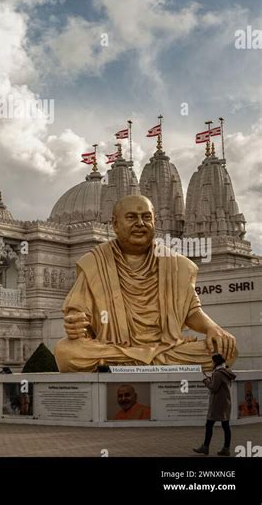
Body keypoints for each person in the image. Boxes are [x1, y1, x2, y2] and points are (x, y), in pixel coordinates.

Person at [55, 195, 237, 372]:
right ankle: (150, 364)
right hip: (114, 346)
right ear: (115, 224)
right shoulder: (94, 263)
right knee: (66, 352)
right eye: (131, 217)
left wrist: (213, 328)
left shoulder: (177, 264)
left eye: (146, 217)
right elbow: (79, 315)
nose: (140, 223)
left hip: (166, 347)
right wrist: (76, 325)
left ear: (154, 223)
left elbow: (192, 312)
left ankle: (120, 366)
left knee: (225, 350)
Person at [193, 354, 236, 456]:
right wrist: (211, 379)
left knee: (209, 425)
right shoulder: (225, 371)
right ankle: (226, 448)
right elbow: (219, 385)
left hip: (217, 403)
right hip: (225, 402)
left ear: (216, 362)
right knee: (225, 426)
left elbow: (213, 388)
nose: (211, 363)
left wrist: (206, 381)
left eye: (212, 361)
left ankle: (205, 447)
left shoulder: (217, 373)